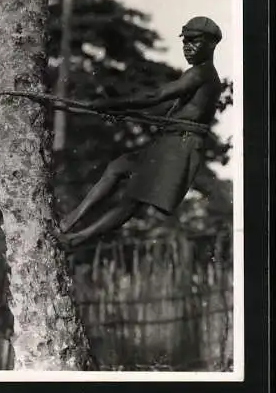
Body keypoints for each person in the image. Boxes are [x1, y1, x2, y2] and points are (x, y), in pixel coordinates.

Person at [58, 16, 223, 248]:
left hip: (181, 144)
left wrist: (113, 103)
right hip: (172, 141)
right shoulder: (198, 73)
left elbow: (155, 96)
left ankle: (74, 238)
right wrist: (119, 107)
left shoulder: (202, 73)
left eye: (194, 41)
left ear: (212, 44)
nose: (188, 47)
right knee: (118, 168)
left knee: (131, 200)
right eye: (185, 42)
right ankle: (69, 223)